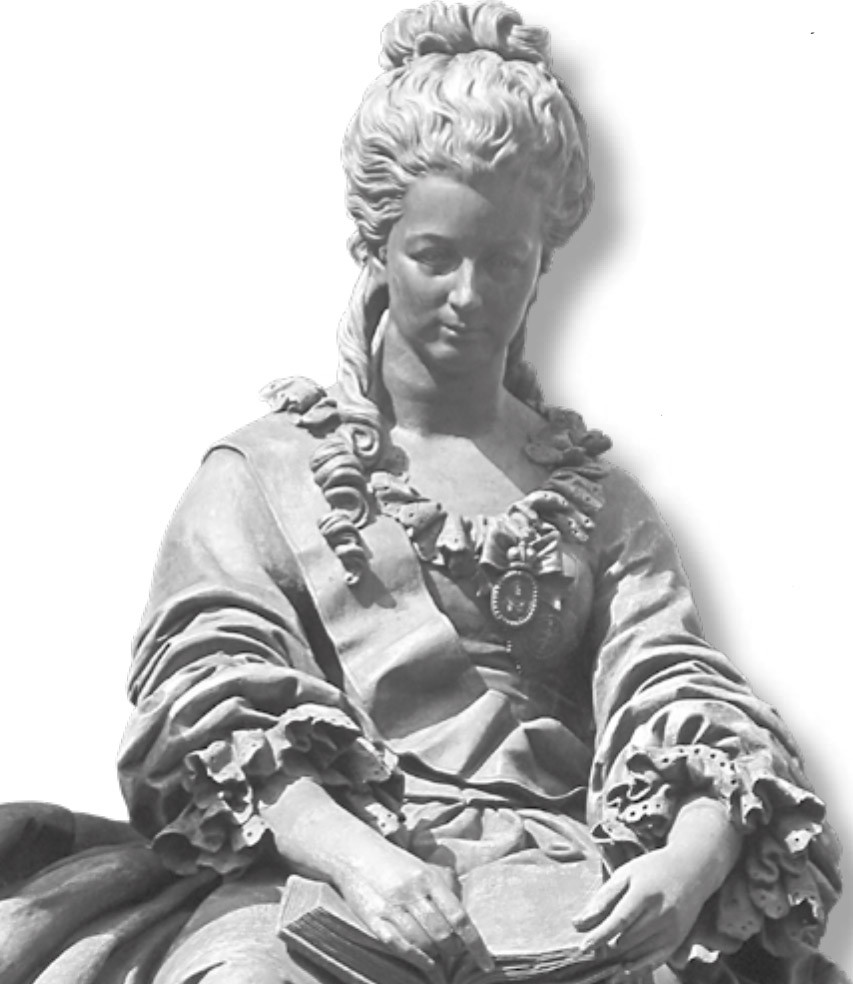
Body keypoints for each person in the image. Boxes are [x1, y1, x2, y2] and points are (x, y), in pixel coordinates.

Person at [0, 3, 845, 984]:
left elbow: (682, 695)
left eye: (504, 261)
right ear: (377, 246)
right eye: (435, 257)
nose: (469, 295)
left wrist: (683, 872)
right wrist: (362, 863)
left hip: (560, 887)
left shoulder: (598, 502)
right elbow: (206, 703)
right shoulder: (263, 473)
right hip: (316, 877)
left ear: (543, 263)